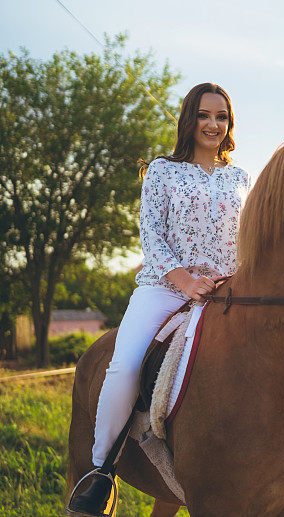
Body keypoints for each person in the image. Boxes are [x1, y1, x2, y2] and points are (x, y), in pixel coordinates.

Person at [67, 83, 251, 516]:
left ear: (229, 123)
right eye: (205, 115)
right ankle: (99, 472)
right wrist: (184, 281)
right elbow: (150, 235)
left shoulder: (240, 177)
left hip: (225, 293)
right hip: (164, 288)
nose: (213, 124)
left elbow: (246, 242)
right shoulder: (162, 171)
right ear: (190, 118)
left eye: (221, 116)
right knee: (124, 366)